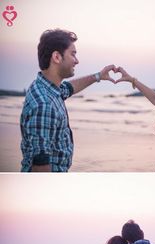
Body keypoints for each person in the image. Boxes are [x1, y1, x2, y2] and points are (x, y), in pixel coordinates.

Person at [20, 29, 116, 172]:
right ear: (57, 57)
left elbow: (69, 88)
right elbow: (40, 167)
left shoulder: (47, 87)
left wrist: (98, 76)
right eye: (73, 54)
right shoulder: (44, 104)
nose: (77, 61)